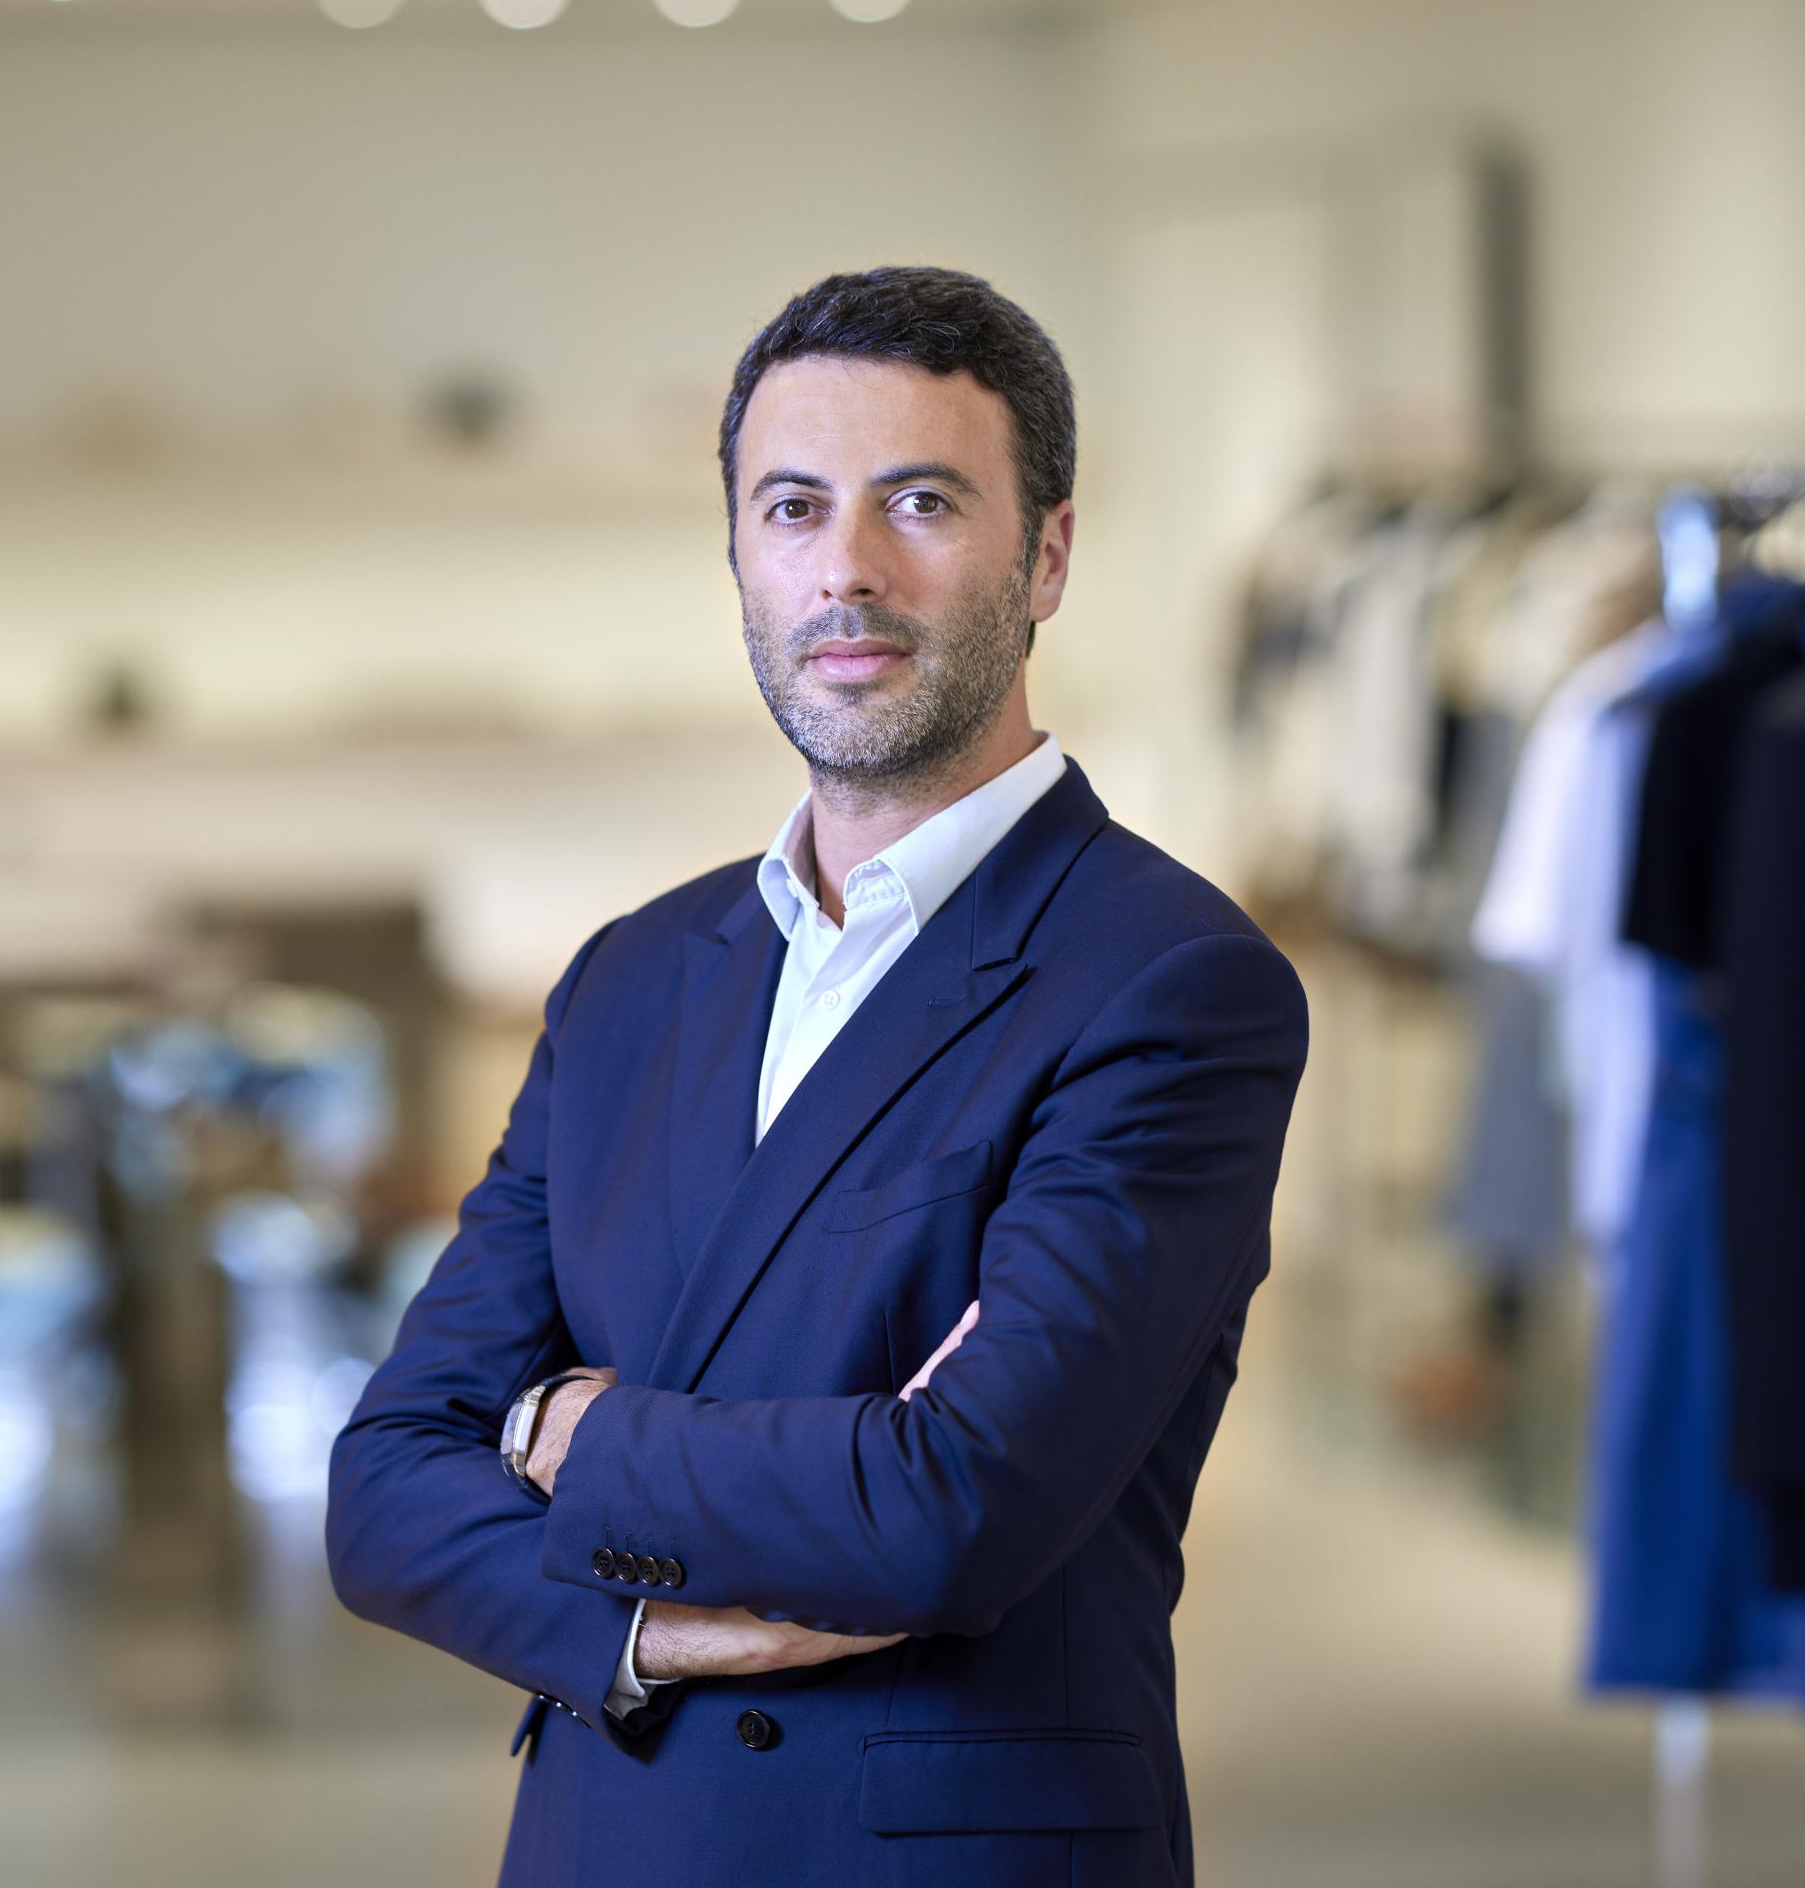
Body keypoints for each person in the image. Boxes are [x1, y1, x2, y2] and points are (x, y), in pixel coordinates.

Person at [326, 268, 1310, 1887]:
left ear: (1047, 552)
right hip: (612, 1836)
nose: (846, 569)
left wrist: (570, 1425)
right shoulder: (634, 975)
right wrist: (657, 1625)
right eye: (792, 508)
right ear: (739, 559)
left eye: (920, 501)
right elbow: (382, 1490)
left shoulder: (1167, 980)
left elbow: (949, 1510)